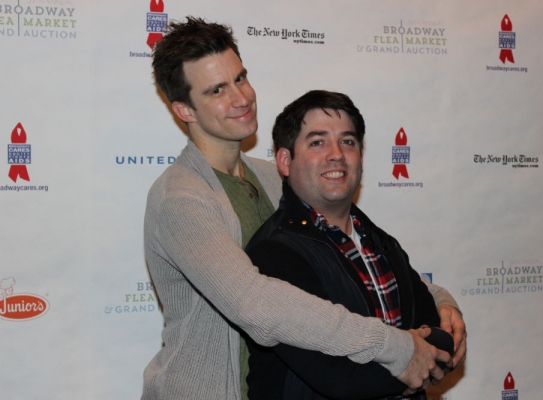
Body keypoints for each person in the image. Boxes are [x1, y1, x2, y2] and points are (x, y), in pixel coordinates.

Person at [143, 16, 466, 399]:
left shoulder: (272, 176)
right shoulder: (181, 198)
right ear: (185, 110)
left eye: (241, 78)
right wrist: (395, 347)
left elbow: (357, 252)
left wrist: (437, 298)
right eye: (217, 90)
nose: (242, 98)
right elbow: (256, 303)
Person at [244, 90, 460, 400]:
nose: (336, 154)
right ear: (285, 160)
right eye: (317, 142)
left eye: (348, 141)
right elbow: (335, 375)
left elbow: (436, 338)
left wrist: (421, 354)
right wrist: (412, 357)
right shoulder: (273, 253)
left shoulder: (380, 242)